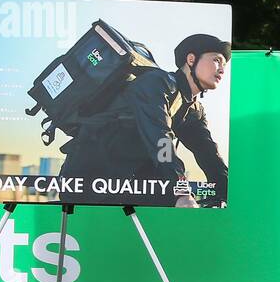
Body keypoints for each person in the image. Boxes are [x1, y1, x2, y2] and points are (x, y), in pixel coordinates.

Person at [57, 33, 230, 208]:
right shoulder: (157, 84)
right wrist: (181, 191)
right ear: (191, 60)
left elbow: (208, 152)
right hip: (91, 178)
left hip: (129, 182)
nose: (222, 69)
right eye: (216, 60)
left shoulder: (192, 109)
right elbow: (160, 138)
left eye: (224, 64)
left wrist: (230, 190)